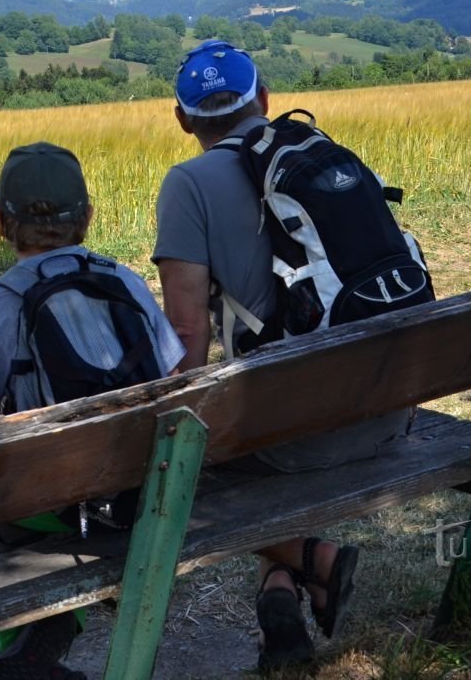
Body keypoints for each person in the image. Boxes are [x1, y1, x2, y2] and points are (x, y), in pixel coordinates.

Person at [154, 40, 409, 670]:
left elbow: (186, 338)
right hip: (390, 408)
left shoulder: (188, 183)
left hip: (298, 435)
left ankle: (309, 559)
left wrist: (162, 423)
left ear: (183, 119)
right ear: (263, 100)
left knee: (176, 462)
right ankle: (281, 591)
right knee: (257, 415)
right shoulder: (323, 158)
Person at [0, 142, 187, 680]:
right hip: (139, 493)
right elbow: (175, 384)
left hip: (50, 502)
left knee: (1, 491)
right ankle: (39, 644)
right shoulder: (125, 282)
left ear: (0, 222)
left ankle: (32, 645)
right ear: (87, 216)